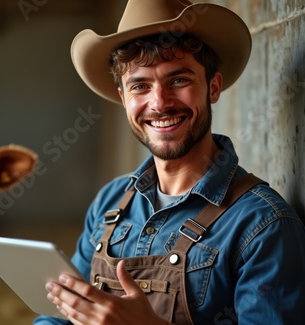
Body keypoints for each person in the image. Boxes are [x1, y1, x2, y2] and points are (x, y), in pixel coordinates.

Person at [33, 0, 305, 324]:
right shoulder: (110, 203)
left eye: (178, 80)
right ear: (123, 98)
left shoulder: (262, 225)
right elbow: (61, 311)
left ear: (213, 87)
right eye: (140, 86)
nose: (159, 103)